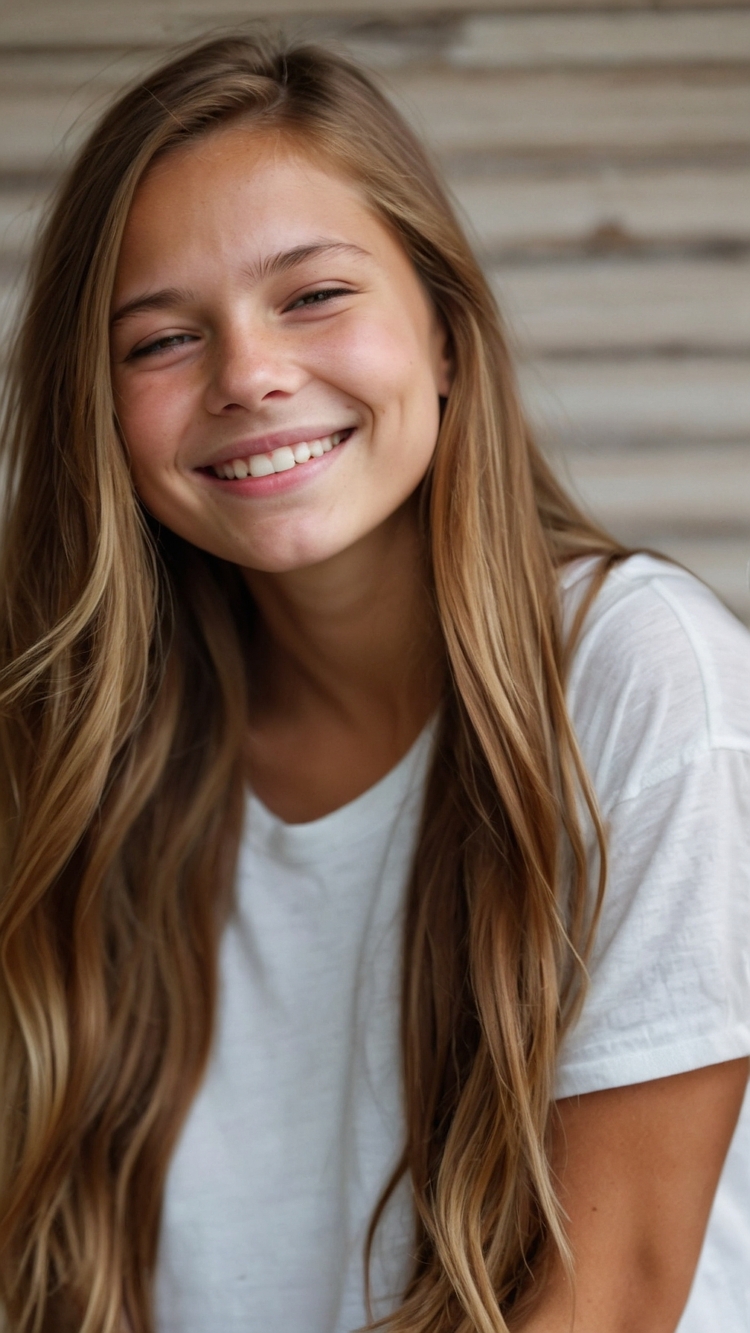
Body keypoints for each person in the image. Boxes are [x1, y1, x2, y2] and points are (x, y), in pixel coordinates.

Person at [0, 32, 747, 1333]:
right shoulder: (66, 754)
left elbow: (615, 1296)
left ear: (447, 335)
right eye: (163, 339)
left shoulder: (641, 678)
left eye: (312, 295)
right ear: (99, 417)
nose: (247, 374)